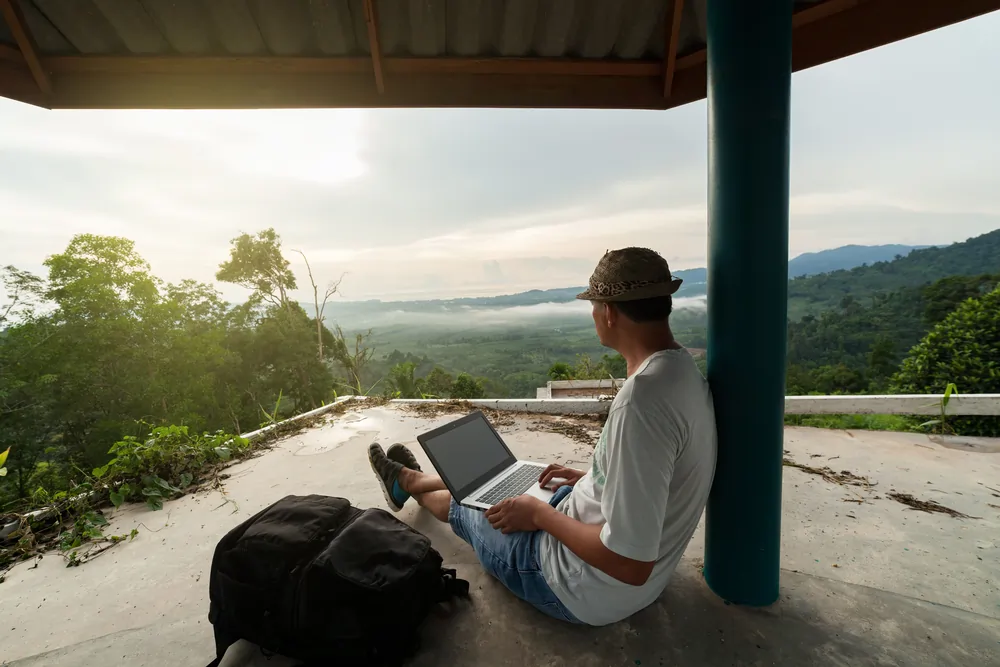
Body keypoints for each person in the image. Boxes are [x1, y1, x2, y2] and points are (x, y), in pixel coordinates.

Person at [368, 247, 717, 626]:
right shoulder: (682, 374)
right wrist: (594, 479)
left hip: (575, 583)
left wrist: (539, 516)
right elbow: (659, 478)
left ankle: (407, 482)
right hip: (595, 540)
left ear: (609, 312)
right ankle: (411, 479)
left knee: (469, 505)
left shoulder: (641, 404)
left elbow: (630, 565)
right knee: (497, 481)